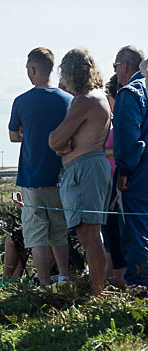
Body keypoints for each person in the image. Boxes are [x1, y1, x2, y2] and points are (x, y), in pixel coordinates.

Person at [48, 48, 111, 296]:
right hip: (90, 167)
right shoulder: (100, 97)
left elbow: (55, 140)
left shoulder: (84, 101)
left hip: (84, 169)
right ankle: (98, 289)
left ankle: (97, 292)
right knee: (91, 233)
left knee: (89, 234)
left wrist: (63, 142)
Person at [8, 47, 72, 288]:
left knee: (37, 234)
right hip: (60, 176)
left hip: (32, 177)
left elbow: (14, 135)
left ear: (33, 69)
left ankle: (44, 284)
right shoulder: (68, 100)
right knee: (59, 230)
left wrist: (28, 132)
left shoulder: (21, 101)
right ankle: (64, 277)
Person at [113, 45, 148, 286]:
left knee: (136, 231)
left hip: (139, 174)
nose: (115, 72)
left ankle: (139, 289)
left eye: (115, 66)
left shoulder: (130, 93)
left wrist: (123, 171)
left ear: (125, 66)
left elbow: (128, 137)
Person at [102, 75, 126, 287]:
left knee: (113, 231)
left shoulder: (123, 121)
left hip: (119, 182)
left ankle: (119, 280)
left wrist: (101, 150)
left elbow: (122, 152)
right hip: (110, 181)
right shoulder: (116, 121)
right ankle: (110, 278)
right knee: (108, 233)